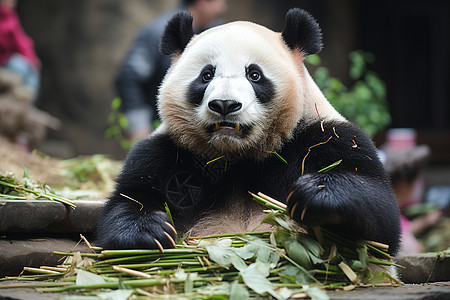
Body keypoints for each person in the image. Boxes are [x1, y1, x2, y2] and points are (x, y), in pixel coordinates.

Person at [115, 0, 227, 141]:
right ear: (202, 3)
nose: (223, 8)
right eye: (219, 2)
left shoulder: (217, 32)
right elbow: (129, 77)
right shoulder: (160, 33)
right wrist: (139, 126)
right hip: (159, 125)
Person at [0, 0, 40, 102]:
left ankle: (27, 102)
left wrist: (31, 57)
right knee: (21, 68)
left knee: (30, 68)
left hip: (7, 59)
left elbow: (21, 41)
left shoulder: (10, 16)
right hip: (3, 60)